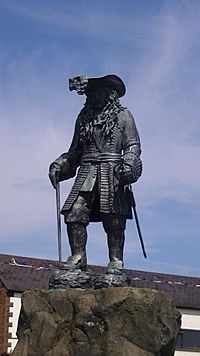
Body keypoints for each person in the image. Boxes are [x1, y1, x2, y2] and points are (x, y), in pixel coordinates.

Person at [49, 74, 142, 274]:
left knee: (114, 218)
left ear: (111, 95)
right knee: (74, 213)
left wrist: (129, 162)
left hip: (113, 170)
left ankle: (116, 260)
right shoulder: (84, 118)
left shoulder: (124, 116)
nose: (97, 97)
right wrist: (60, 164)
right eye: (94, 93)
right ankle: (78, 256)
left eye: (102, 93)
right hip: (87, 171)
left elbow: (133, 144)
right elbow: (75, 151)